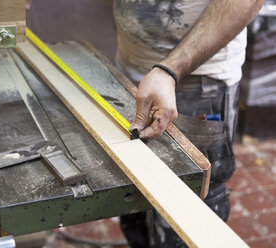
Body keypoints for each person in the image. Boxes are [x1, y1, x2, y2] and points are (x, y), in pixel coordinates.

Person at [113, 0, 264, 247]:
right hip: (130, 66)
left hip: (196, 82)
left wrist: (169, 71)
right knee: (135, 200)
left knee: (187, 215)